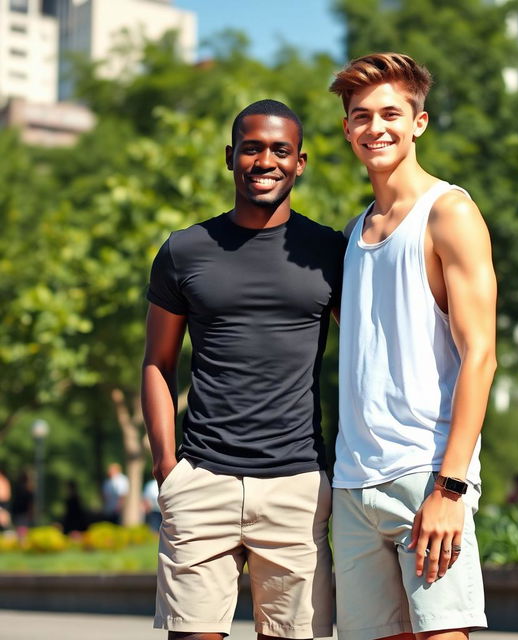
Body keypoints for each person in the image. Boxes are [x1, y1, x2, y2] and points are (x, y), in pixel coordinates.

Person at [142, 99, 345, 639]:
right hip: (203, 479)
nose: (266, 161)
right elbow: (158, 364)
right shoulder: (185, 250)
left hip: (297, 486)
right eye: (252, 148)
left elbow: (371, 355)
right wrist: (168, 468)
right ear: (231, 157)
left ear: (300, 162)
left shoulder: (329, 251)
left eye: (281, 150)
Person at [329, 53, 497, 640]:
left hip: (425, 475)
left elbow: (481, 354)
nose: (376, 127)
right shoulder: (353, 234)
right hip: (353, 483)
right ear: (347, 129)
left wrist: (451, 488)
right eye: (361, 116)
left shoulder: (449, 213)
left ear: (418, 123)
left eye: (390, 114)